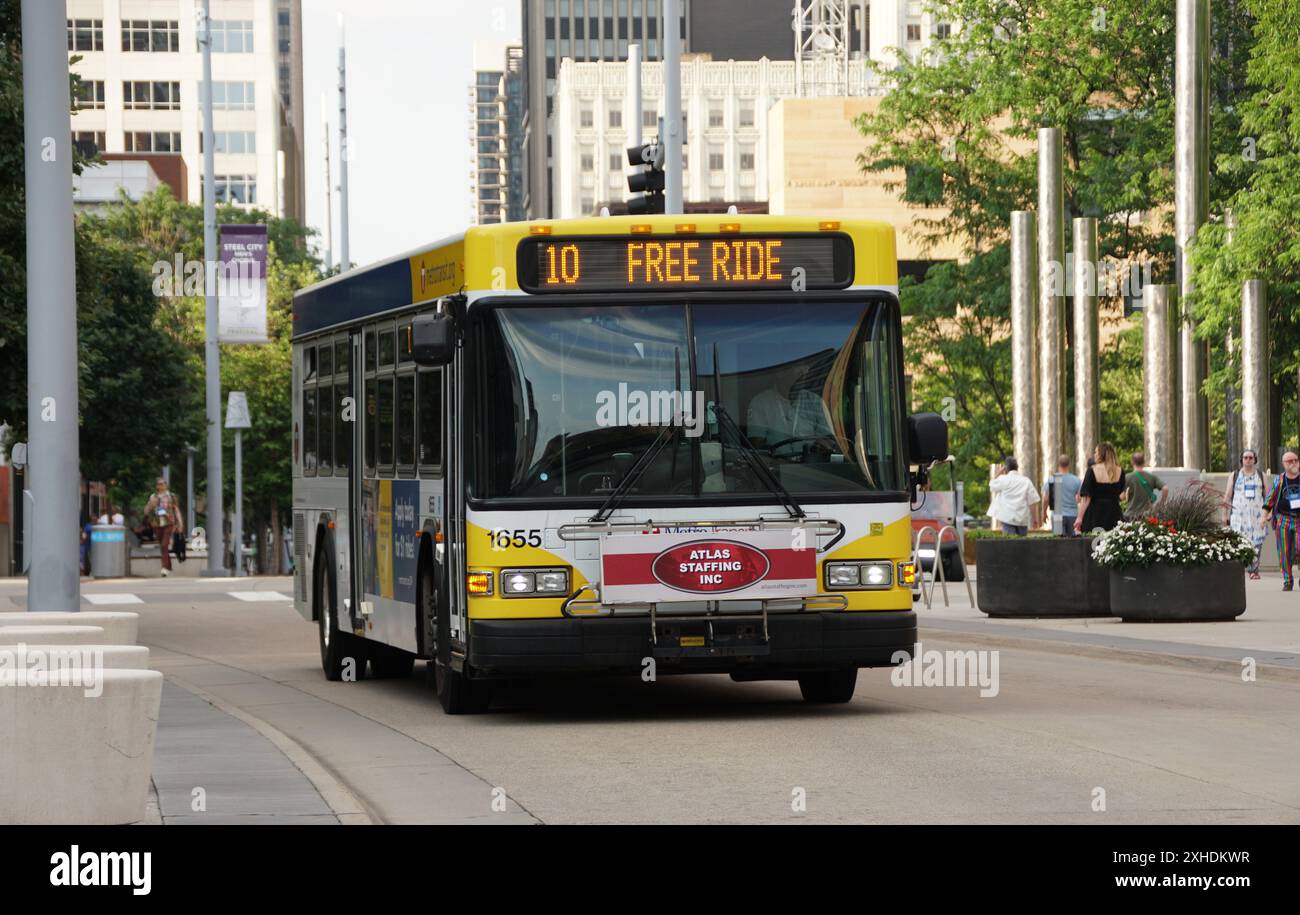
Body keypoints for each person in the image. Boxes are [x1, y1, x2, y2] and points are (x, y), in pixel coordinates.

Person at [1225, 448, 1270, 580]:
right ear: (1242, 460)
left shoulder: (1261, 475)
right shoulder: (1234, 475)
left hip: (1257, 515)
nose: (1248, 460)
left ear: (1255, 459)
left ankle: (1254, 570)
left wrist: (1269, 512)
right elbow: (1227, 495)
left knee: (1256, 543)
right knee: (1238, 541)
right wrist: (1224, 514)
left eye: (1251, 457)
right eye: (1245, 457)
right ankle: (1238, 569)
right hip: (1239, 515)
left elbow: (1268, 496)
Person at [1263, 451, 1300, 591]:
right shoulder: (1279, 480)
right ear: (1284, 464)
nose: (1293, 463)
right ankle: (1287, 580)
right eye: (1289, 461)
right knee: (1284, 551)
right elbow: (1269, 499)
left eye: (1295, 460)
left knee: (1299, 547)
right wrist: (1263, 516)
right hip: (1283, 519)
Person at [1075, 442, 1126, 533]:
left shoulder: (1092, 470)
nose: (1094, 455)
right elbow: (1122, 494)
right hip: (1114, 514)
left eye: (1096, 452)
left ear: (1100, 454)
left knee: (1093, 543)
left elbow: (1086, 498)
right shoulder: (1120, 471)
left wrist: (1079, 518)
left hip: (1095, 515)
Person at [987, 456, 1041, 535]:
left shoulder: (1003, 479)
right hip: (1022, 520)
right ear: (1017, 468)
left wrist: (999, 472)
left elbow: (991, 484)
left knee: (1009, 545)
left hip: (1007, 518)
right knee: (1022, 546)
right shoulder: (1026, 481)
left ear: (1006, 468)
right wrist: (1035, 519)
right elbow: (1032, 502)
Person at [144, 478, 183, 577]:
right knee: (162, 545)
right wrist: (150, 505)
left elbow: (176, 509)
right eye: (158, 484)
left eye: (162, 484)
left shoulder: (171, 496)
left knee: (164, 545)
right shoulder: (153, 496)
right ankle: (169, 567)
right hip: (157, 523)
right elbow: (147, 510)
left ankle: (164, 568)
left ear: (166, 485)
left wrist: (180, 523)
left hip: (169, 523)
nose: (160, 486)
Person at [1043, 455, 1082, 536]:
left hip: (1057, 516)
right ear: (1069, 464)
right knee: (1072, 542)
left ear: (1058, 464)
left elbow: (1046, 499)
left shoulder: (1052, 479)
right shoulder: (1076, 480)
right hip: (1072, 515)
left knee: (1059, 542)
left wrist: (1044, 513)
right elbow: (1079, 499)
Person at [1123, 451, 1168, 518]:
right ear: (1144, 462)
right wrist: (1162, 503)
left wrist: (1127, 495)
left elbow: (1122, 497)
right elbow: (1165, 488)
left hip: (1130, 515)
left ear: (1132, 462)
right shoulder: (1152, 477)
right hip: (1147, 516)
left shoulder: (1127, 477)